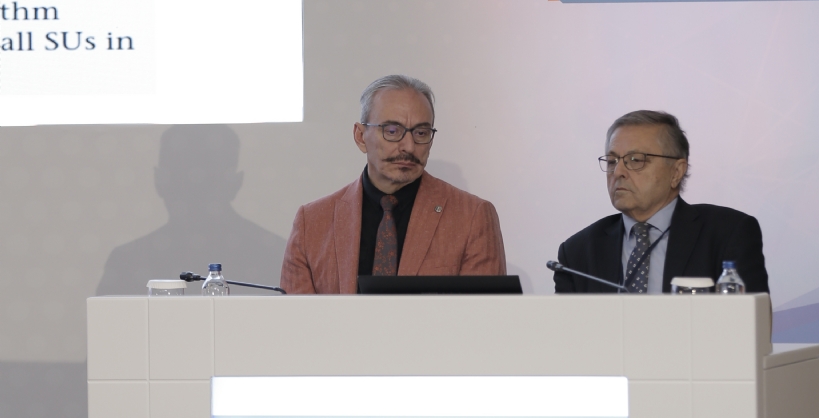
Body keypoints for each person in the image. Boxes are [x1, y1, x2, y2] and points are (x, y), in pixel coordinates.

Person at [281, 74, 506, 293]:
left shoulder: (472, 217)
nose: (408, 146)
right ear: (360, 136)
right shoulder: (311, 223)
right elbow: (296, 317)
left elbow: (483, 314)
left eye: (421, 133)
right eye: (392, 131)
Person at [554, 110, 768, 295]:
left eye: (635, 160)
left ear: (676, 172)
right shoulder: (577, 253)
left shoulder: (727, 234)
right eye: (612, 161)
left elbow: (752, 322)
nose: (618, 172)